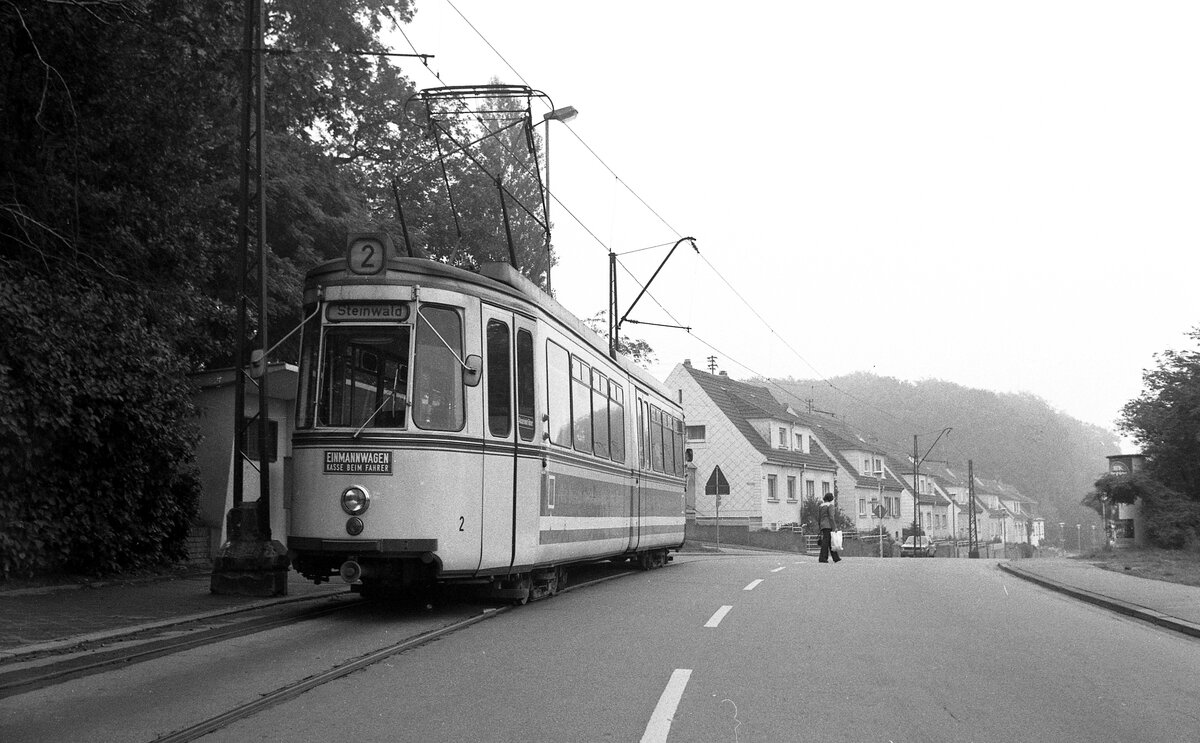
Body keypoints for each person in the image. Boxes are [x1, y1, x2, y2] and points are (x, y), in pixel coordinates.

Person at [818, 492, 841, 563]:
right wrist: (834, 527)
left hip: (823, 524)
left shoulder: (821, 506)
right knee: (827, 542)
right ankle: (823, 558)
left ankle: (835, 557)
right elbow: (831, 517)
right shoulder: (830, 506)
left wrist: (820, 525)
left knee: (829, 541)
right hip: (828, 525)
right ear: (831, 499)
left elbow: (819, 517)